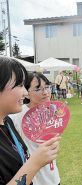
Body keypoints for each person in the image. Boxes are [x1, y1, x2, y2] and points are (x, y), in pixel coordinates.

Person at [0, 57, 60, 185]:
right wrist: (35, 163)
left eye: (47, 87)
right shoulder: (16, 118)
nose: (25, 92)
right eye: (20, 85)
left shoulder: (7, 123)